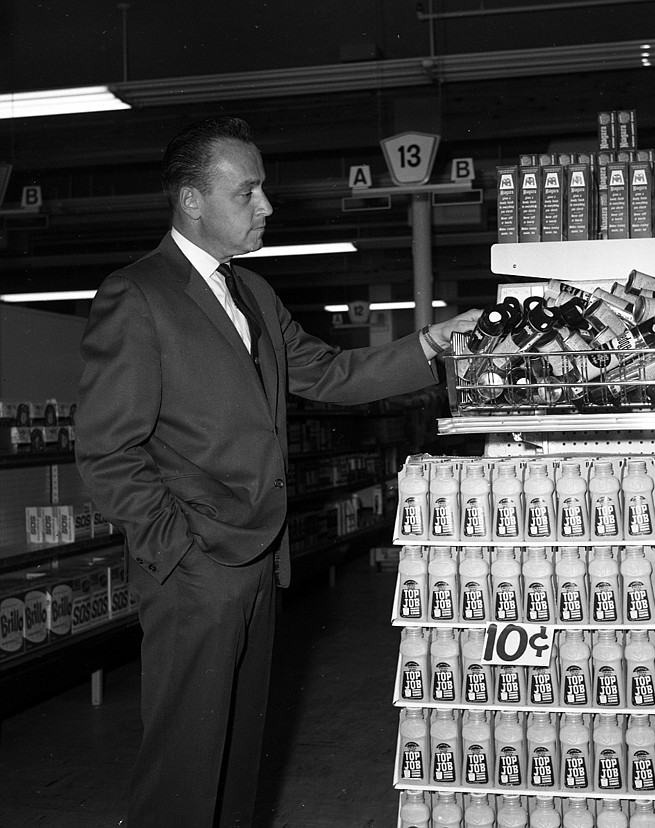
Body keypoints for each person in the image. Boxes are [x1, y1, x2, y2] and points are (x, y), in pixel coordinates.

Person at [74, 116, 480, 827]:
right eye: (249, 192)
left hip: (259, 558)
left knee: (234, 758)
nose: (266, 206)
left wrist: (427, 344)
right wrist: (179, 552)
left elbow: (326, 371)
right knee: (184, 764)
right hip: (198, 568)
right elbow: (107, 450)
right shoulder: (137, 295)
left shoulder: (253, 293)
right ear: (192, 201)